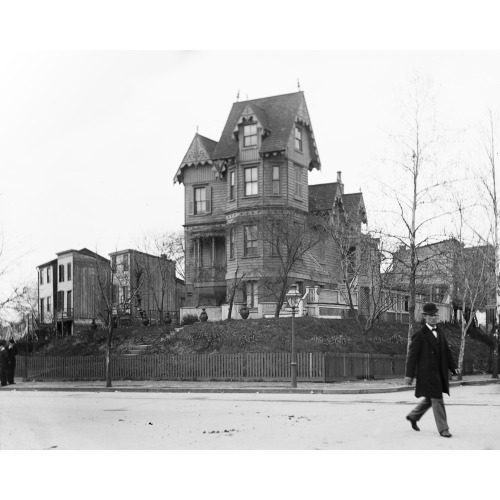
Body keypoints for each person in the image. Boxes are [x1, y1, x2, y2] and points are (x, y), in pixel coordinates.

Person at [405, 303, 459, 438]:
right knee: (437, 399)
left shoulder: (440, 332)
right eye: (430, 316)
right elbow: (412, 357)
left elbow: (447, 352)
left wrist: (454, 368)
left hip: (439, 373)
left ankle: (413, 416)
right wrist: (409, 375)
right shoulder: (419, 335)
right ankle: (443, 428)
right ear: (425, 317)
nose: (433, 318)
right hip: (427, 374)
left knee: (431, 399)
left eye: (435, 315)